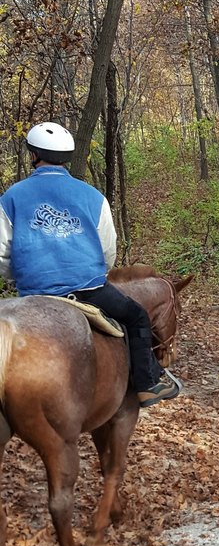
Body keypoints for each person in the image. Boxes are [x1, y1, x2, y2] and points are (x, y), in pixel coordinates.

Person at [0, 122, 180, 408]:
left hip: (33, 293)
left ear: (34, 155)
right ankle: (147, 385)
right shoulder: (93, 197)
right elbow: (108, 251)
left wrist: (21, 275)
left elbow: (2, 255)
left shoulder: (11, 197)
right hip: (89, 289)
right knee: (136, 316)